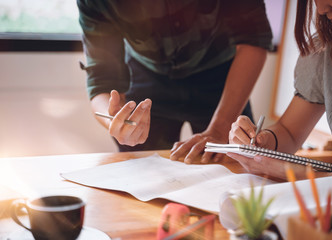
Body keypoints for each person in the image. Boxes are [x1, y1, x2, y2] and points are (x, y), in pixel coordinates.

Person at [77, 0, 273, 163]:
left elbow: (254, 39)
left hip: (221, 75)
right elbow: (101, 77)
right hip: (146, 77)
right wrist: (115, 121)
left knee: (236, 169)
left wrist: (221, 128)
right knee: (141, 175)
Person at [228, 0, 332, 180]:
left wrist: (296, 174)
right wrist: (265, 140)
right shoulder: (326, 49)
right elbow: (289, 132)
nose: (321, 10)